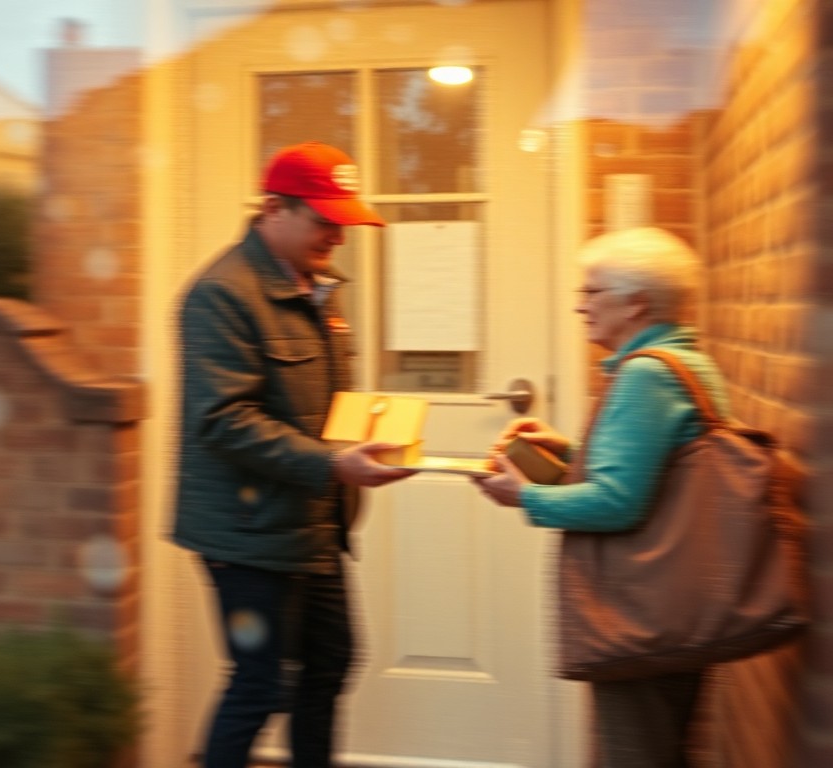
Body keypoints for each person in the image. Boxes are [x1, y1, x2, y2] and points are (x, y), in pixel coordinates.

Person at [173, 141, 416, 768]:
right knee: (259, 686)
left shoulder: (318, 289)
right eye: (324, 219)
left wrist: (369, 436)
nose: (337, 235)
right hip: (247, 533)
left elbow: (320, 403)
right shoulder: (220, 295)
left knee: (331, 660)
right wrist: (331, 464)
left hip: (312, 525)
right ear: (274, 208)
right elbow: (223, 421)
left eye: (344, 222)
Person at [476, 226, 729, 768]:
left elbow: (619, 502)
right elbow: (654, 474)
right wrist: (566, 454)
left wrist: (525, 497)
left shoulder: (645, 375)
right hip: (675, 602)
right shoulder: (686, 362)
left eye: (591, 292)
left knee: (636, 754)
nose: (578, 306)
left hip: (641, 615)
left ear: (636, 303)